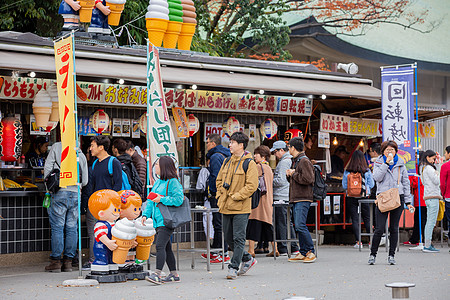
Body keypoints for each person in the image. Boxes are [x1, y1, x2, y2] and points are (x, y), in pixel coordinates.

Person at [216, 132, 258, 279]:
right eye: (230, 142)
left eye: (233, 142)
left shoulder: (249, 163)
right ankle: (247, 258)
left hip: (241, 206)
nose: (230, 145)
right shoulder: (227, 161)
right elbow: (219, 180)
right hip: (226, 205)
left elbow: (252, 185)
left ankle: (234, 267)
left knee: (239, 237)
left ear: (241, 145)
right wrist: (221, 193)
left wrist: (236, 196)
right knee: (228, 238)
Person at [43, 142, 89, 272]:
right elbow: (85, 181)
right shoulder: (81, 154)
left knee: (57, 227)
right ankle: (68, 262)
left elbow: (47, 168)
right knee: (72, 227)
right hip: (75, 194)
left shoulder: (57, 147)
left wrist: (49, 187)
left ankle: (56, 261)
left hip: (59, 192)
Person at [369, 140, 414, 265]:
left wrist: (408, 201)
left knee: (394, 228)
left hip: (397, 197)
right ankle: (373, 255)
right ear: (383, 151)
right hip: (383, 197)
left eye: (392, 150)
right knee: (379, 229)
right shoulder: (378, 162)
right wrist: (385, 164)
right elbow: (377, 177)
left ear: (396, 152)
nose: (390, 152)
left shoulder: (401, 164)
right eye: (387, 150)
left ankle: (391, 255)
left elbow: (406, 183)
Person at [81, 136, 123, 271]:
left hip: (109, 207)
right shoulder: (94, 164)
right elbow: (91, 186)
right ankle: (95, 260)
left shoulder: (113, 162)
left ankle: (110, 260)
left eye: (93, 145)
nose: (90, 148)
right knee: (94, 232)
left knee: (109, 233)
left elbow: (118, 185)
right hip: (95, 205)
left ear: (101, 147)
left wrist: (113, 205)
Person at [142, 156, 184, 284]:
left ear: (164, 166)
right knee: (166, 248)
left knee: (160, 246)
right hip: (158, 220)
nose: (155, 167)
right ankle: (174, 274)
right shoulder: (159, 182)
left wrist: (162, 199)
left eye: (157, 165)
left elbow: (178, 199)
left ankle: (157, 274)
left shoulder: (173, 182)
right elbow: (150, 201)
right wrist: (145, 214)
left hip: (166, 220)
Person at [286, 137, 316, 263]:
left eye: (289, 147)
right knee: (298, 225)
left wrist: (293, 174)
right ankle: (303, 252)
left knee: (300, 225)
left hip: (303, 198)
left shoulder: (304, 160)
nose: (288, 149)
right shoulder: (297, 161)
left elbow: (309, 179)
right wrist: (290, 175)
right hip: (297, 198)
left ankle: (310, 251)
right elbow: (297, 180)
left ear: (293, 148)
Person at [204, 133, 231, 263]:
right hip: (225, 193)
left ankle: (222, 253)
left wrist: (213, 192)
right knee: (220, 223)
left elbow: (216, 176)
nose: (207, 145)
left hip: (218, 194)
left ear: (213, 144)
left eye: (208, 142)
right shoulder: (226, 154)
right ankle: (217, 250)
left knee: (219, 223)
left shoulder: (215, 157)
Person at [271, 140, 300, 256]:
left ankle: (284, 247)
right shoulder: (290, 160)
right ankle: (293, 247)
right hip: (287, 195)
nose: (274, 155)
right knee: (288, 221)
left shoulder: (284, 162)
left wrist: (270, 180)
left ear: (282, 150)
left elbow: (281, 180)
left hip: (281, 196)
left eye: (275, 152)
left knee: (282, 222)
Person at [342, 150, 375, 249]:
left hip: (351, 197)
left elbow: (344, 185)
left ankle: (358, 242)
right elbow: (372, 184)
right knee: (367, 218)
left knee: (355, 219)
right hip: (364, 196)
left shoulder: (348, 170)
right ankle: (370, 242)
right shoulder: (366, 171)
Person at [246, 146, 275, 257]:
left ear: (262, 156)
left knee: (253, 224)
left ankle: (251, 250)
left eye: (256, 154)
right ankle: (275, 248)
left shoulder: (258, 167)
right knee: (268, 225)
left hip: (258, 200)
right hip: (268, 199)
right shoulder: (268, 168)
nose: (254, 156)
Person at [420, 150, 442, 253]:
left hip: (428, 197)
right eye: (433, 159)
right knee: (431, 222)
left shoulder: (424, 168)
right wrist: (438, 172)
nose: (434, 161)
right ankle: (428, 245)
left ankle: (427, 243)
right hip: (433, 197)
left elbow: (423, 182)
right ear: (428, 158)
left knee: (429, 221)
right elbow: (438, 181)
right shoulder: (429, 168)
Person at [440, 146, 450, 237]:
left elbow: (442, 184)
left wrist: (443, 194)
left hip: (448, 196)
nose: (444, 154)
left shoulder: (445, 166)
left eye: (445, 152)